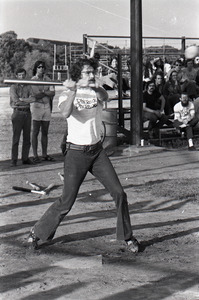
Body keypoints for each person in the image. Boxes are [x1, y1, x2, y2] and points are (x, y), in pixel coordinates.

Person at [28, 58, 140, 253]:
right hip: (76, 153)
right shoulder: (67, 93)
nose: (91, 75)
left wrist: (95, 86)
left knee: (119, 193)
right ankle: (37, 233)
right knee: (67, 201)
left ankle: (127, 236)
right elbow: (65, 112)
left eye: (92, 72)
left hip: (97, 152)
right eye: (87, 73)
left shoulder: (95, 92)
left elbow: (105, 97)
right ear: (78, 75)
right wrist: (72, 90)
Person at [10, 68, 36, 167]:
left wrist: (23, 99)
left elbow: (33, 98)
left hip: (27, 113)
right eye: (19, 75)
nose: (21, 77)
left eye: (23, 75)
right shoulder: (13, 87)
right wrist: (26, 100)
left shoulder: (28, 86)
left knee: (27, 137)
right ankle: (14, 160)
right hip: (18, 113)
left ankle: (25, 158)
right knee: (16, 138)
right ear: (16, 76)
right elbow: (16, 101)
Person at [31, 60, 55, 163]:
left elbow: (53, 93)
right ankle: (35, 155)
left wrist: (44, 92)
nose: (41, 69)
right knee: (35, 131)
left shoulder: (48, 79)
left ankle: (44, 154)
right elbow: (36, 95)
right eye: (39, 67)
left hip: (46, 106)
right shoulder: (33, 80)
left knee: (45, 132)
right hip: (37, 106)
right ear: (36, 68)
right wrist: (46, 93)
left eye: (43, 67)